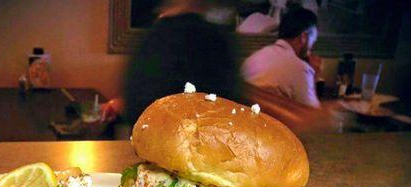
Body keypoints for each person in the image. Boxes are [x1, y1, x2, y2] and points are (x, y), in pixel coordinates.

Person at [101, 0, 242, 125]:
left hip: (175, 143)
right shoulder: (211, 37)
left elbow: (146, 99)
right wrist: (121, 104)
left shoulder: (165, 35)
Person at [240, 6, 322, 108]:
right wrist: (314, 76)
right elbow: (313, 114)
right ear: (303, 37)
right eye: (313, 41)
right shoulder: (300, 69)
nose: (311, 47)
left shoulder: (255, 57)